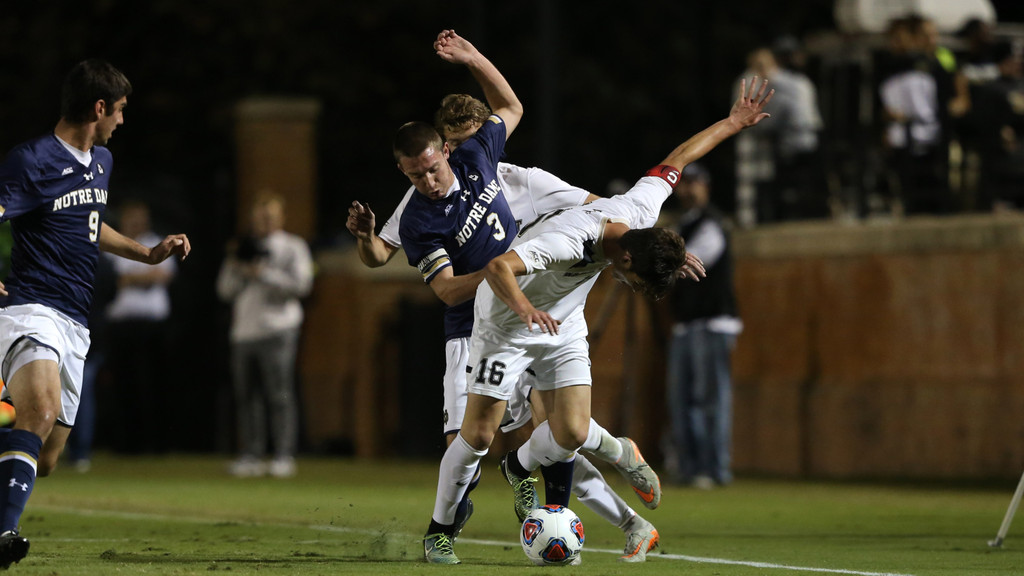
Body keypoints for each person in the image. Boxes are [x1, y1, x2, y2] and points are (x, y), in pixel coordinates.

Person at [422, 76, 773, 565]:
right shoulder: (569, 240)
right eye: (634, 282)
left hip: (562, 325)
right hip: (504, 321)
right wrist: (525, 310)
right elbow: (499, 268)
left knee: (569, 431)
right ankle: (439, 531)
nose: (628, 286)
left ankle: (534, 466)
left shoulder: (639, 210)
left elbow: (677, 160)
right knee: (480, 434)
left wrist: (732, 123)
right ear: (625, 262)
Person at [349, 91, 661, 562]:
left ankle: (608, 521)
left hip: (534, 315)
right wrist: (366, 239)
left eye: (469, 140)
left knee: (561, 431)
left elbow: (604, 212)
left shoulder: (523, 180)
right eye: (423, 170)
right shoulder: (419, 208)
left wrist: (657, 252)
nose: (435, 176)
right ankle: (453, 519)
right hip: (475, 327)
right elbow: (388, 258)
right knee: (470, 442)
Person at [0, 58, 191, 568]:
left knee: (48, 458)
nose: (122, 122)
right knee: (36, 413)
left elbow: (90, 223)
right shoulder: (31, 160)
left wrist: (146, 253)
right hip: (31, 307)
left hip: (76, 321)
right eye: (120, 111)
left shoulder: (100, 162)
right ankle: (3, 533)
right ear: (99, 107)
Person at [217, 190, 314, 478]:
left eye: (270, 216)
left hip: (279, 328)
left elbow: (302, 285)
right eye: (259, 217)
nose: (264, 222)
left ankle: (283, 455)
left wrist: (264, 274)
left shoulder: (292, 246)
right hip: (244, 332)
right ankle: (252, 454)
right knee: (247, 396)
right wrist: (238, 268)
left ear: (281, 217)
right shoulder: (243, 247)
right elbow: (224, 290)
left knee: (279, 394)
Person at [663, 163, 741, 489]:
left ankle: (713, 468)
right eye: (684, 183)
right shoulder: (683, 224)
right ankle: (692, 467)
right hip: (686, 324)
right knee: (682, 400)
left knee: (708, 399)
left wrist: (654, 262)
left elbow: (690, 263)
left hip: (712, 322)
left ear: (707, 187)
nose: (688, 189)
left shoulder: (712, 224)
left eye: (695, 183)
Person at [104, 200, 177, 454]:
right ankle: (127, 446)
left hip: (152, 327)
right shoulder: (113, 242)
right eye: (131, 217)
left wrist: (128, 279)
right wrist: (140, 277)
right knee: (124, 386)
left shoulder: (157, 241)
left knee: (154, 385)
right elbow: (109, 280)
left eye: (140, 218)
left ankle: (157, 445)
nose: (136, 223)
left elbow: (162, 275)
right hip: (121, 327)